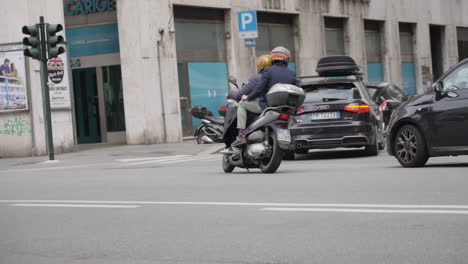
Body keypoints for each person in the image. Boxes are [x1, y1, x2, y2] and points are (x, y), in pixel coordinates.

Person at [232, 46, 301, 147]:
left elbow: (259, 89)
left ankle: (241, 136)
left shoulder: (267, 71)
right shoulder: (292, 74)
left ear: (272, 58)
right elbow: (299, 91)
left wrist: (248, 97)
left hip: (267, 107)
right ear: (286, 59)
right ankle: (290, 137)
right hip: (285, 109)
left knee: (242, 104)